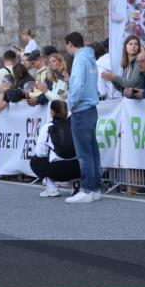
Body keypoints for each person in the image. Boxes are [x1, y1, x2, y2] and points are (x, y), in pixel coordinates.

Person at [63, 32, 102, 204]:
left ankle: (86, 189)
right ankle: (94, 188)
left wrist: (71, 102)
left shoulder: (79, 59)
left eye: (66, 46)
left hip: (81, 108)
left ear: (70, 44)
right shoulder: (90, 58)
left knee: (83, 153)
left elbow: (78, 84)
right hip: (91, 108)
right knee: (92, 151)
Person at [31, 100, 81, 198]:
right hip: (78, 168)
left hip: (58, 171)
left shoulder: (47, 127)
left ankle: (52, 188)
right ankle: (76, 185)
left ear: (52, 112)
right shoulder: (76, 125)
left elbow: (40, 153)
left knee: (34, 161)